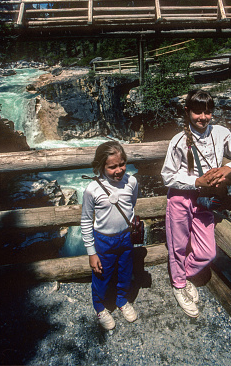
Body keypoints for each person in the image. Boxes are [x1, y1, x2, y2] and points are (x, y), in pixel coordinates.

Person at [161, 89, 231, 318]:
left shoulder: (221, 133)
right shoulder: (179, 141)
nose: (203, 117)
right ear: (187, 111)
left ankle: (183, 274)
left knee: (207, 252)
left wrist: (228, 167)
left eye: (208, 112)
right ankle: (179, 285)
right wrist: (196, 180)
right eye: (197, 112)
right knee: (178, 246)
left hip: (206, 200)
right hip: (181, 198)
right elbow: (167, 176)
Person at [81, 141, 139, 330]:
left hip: (126, 237)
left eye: (122, 164)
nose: (119, 170)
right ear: (101, 166)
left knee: (125, 271)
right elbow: (86, 220)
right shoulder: (92, 189)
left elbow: (132, 204)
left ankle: (121, 300)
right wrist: (91, 252)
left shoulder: (131, 181)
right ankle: (99, 306)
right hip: (103, 240)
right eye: (112, 167)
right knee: (101, 275)